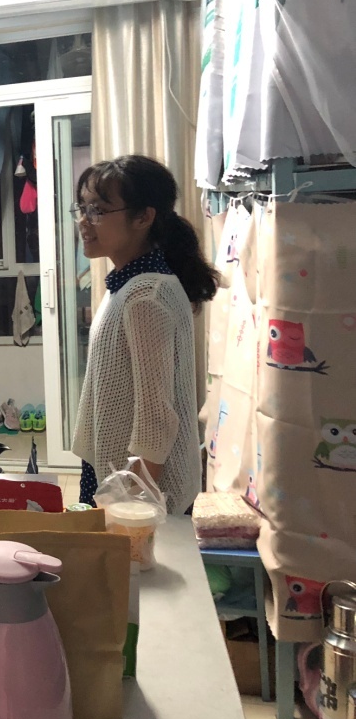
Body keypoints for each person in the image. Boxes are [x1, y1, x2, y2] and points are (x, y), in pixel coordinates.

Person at [71, 155, 219, 515]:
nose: (84, 222)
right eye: (82, 208)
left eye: (98, 210)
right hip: (118, 471)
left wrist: (134, 508)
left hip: (139, 488)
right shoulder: (127, 285)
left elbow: (157, 419)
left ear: (143, 217)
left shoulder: (145, 295)